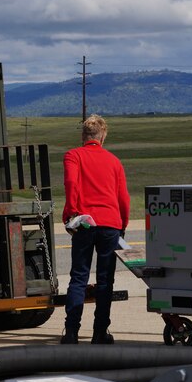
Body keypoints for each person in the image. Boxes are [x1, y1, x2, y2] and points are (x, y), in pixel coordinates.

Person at [60, 114, 130, 345]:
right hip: (111, 223)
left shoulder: (73, 155)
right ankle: (100, 332)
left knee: (79, 277)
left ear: (83, 136)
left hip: (85, 222)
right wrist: (123, 223)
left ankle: (71, 332)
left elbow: (71, 184)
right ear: (103, 137)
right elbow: (123, 198)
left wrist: (71, 212)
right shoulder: (114, 161)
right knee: (105, 281)